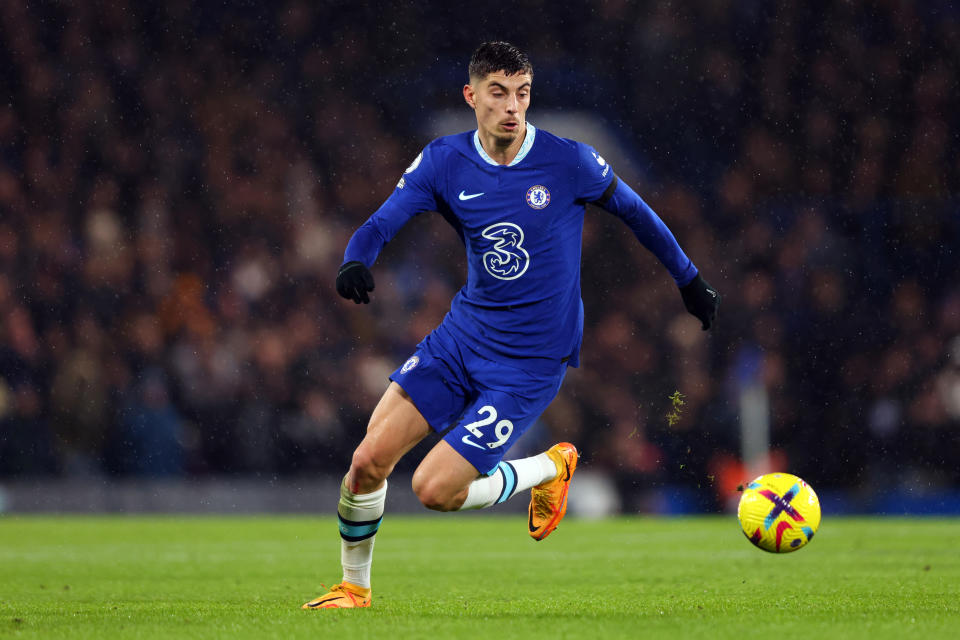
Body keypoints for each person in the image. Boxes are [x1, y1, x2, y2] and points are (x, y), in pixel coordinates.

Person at [303, 41, 720, 610]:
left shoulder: (568, 161)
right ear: (472, 97)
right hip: (461, 339)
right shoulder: (444, 162)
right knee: (367, 461)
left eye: (521, 93)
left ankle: (549, 467)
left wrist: (689, 280)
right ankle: (354, 589)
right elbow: (382, 221)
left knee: (433, 490)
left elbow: (636, 213)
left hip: (527, 365)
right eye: (498, 93)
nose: (512, 107)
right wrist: (357, 259)